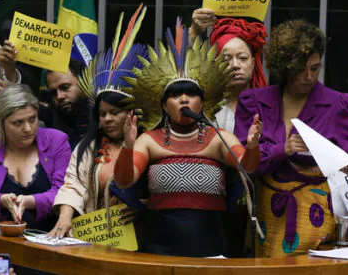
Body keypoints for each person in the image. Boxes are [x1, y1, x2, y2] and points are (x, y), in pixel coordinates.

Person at [234, 19, 348, 257]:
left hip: (315, 217)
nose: (308, 76)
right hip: (265, 218)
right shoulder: (253, 102)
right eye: (300, 69)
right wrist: (281, 150)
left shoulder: (338, 104)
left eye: (315, 68)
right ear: (284, 67)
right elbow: (244, 164)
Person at [113, 21, 263, 257]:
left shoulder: (218, 138)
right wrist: (128, 147)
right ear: (163, 104)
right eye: (174, 95)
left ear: (202, 103)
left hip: (211, 245)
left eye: (191, 94)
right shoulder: (149, 140)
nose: (184, 99)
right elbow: (124, 179)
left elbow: (248, 166)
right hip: (158, 247)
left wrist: (252, 146)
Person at [49, 5, 148, 239]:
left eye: (114, 112)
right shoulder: (89, 147)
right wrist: (64, 219)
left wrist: (143, 206)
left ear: (131, 113)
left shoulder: (149, 144)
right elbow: (73, 184)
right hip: (95, 239)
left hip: (142, 240)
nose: (107, 119)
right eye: (102, 114)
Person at [0, 84, 71, 231]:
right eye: (18, 122)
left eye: (32, 119)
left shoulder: (57, 141)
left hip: (50, 238)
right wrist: (1, 200)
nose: (28, 128)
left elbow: (65, 191)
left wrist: (31, 201)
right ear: (1, 123)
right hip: (1, 239)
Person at [0, 42, 90, 149]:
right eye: (54, 93)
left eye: (65, 87)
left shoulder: (103, 114)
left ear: (84, 81)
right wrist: (9, 70)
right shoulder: (52, 116)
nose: (59, 96)